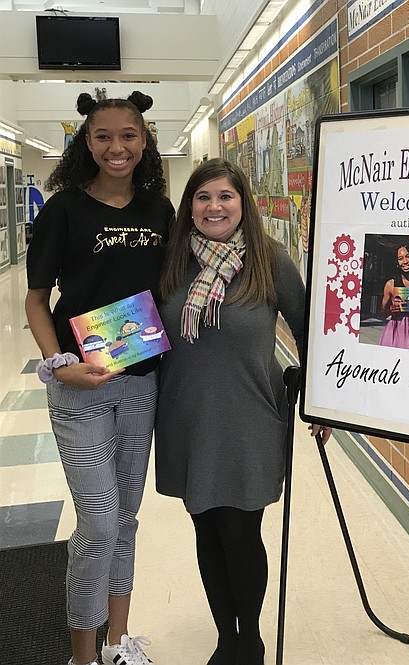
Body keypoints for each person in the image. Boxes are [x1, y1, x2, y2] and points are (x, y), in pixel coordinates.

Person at [153, 158, 330, 665]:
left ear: (242, 203)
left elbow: (309, 332)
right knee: (205, 527)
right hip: (186, 415)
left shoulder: (271, 262)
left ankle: (248, 637)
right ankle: (223, 636)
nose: (214, 207)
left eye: (225, 196)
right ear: (189, 206)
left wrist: (323, 401)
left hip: (250, 415)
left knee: (239, 530)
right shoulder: (171, 261)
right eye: (203, 197)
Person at [25, 91, 174, 665]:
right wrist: (60, 363)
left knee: (127, 515)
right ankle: (82, 655)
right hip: (79, 385)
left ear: (145, 141)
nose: (117, 147)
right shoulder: (63, 210)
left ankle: (118, 643)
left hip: (140, 381)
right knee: (99, 514)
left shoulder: (158, 210)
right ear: (85, 143)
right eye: (103, 136)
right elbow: (37, 301)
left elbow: (168, 289)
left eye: (128, 136)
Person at [378, 243, 409, 350]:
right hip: (393, 333)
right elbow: (382, 314)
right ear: (396, 262)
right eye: (400, 258)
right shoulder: (390, 285)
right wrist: (391, 310)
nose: (405, 261)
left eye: (408, 256)